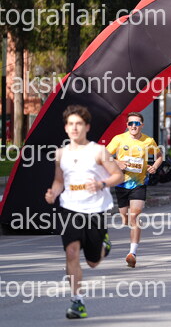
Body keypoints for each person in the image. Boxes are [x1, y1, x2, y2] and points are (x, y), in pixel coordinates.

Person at [45, 105, 124, 319]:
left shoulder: (98, 151)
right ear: (65, 127)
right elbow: (59, 180)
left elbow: (118, 175)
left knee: (92, 262)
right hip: (69, 208)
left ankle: (103, 245)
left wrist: (101, 184)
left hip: (95, 209)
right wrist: (53, 192)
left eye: (79, 124)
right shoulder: (61, 153)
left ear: (87, 127)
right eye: (70, 124)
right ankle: (77, 301)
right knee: (71, 252)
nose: (74, 128)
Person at [107, 112, 163, 268]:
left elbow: (159, 156)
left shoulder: (148, 141)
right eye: (131, 123)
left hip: (139, 183)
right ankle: (130, 222)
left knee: (135, 217)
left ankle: (132, 253)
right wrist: (117, 162)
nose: (133, 126)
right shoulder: (119, 139)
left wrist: (154, 167)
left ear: (142, 125)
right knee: (125, 218)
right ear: (127, 125)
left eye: (137, 123)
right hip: (121, 184)